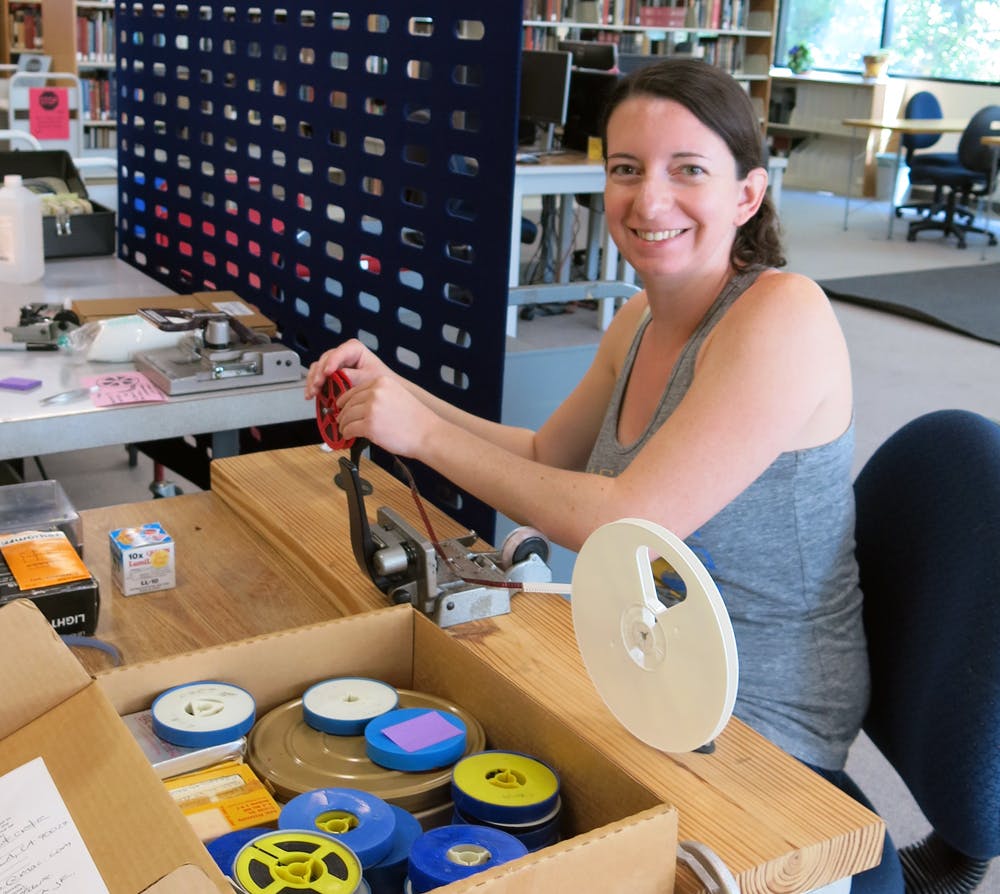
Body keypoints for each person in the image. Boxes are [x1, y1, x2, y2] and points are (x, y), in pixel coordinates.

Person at [306, 59, 900, 891]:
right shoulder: (639, 317)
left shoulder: (783, 315)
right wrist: (400, 395)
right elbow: (551, 459)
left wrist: (428, 439)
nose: (648, 200)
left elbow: (625, 518)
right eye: (626, 169)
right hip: (647, 672)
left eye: (687, 169)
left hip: (758, 728)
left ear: (747, 195)